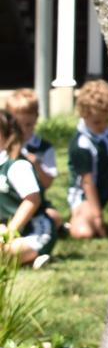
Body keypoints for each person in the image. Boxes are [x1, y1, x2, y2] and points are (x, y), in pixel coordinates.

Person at [67, 80, 108, 239]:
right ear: (84, 114)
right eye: (97, 122)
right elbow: (87, 183)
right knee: (83, 233)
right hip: (86, 195)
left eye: (106, 120)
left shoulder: (106, 133)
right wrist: (97, 216)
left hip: (106, 184)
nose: (102, 125)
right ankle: (73, 221)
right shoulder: (81, 144)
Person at [0, 110, 56, 268]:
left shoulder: (17, 165)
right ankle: (29, 261)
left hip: (34, 231)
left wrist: (10, 232)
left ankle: (33, 255)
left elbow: (32, 199)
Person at [4, 88, 63, 230]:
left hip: (36, 204)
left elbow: (47, 183)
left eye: (28, 124)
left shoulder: (43, 148)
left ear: (36, 118)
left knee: (54, 217)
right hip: (6, 203)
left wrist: (36, 165)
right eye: (18, 125)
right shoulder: (4, 147)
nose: (23, 130)